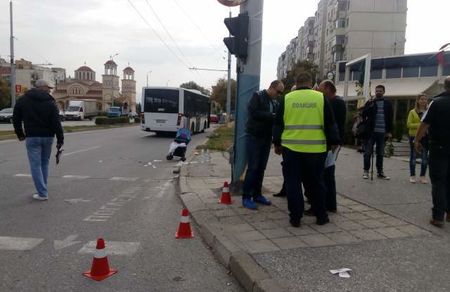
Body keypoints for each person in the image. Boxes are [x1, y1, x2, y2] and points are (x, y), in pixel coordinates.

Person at [273, 72, 339, 226]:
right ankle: (321, 216)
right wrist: (334, 142)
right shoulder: (320, 98)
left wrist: (277, 143)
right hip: (316, 150)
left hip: (291, 149)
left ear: (296, 82)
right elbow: (330, 123)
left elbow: (278, 124)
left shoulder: (286, 98)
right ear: (311, 83)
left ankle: (295, 218)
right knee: (317, 183)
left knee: (293, 183)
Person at [13, 79, 64, 201]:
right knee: (44, 163)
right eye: (48, 89)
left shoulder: (23, 100)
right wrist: (60, 139)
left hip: (32, 137)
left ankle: (42, 193)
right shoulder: (51, 102)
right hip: (48, 137)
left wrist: (20, 134)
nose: (49, 91)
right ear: (42, 88)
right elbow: (56, 122)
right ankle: (43, 189)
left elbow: (16, 118)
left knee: (36, 165)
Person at [242, 80, 284, 210]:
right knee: (253, 167)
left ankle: (257, 194)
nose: (279, 94)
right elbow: (253, 113)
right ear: (271, 87)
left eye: (281, 93)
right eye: (278, 91)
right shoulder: (258, 96)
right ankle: (246, 197)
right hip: (254, 137)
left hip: (266, 138)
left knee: (261, 168)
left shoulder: (274, 101)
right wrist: (272, 116)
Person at [415, 76, 450, 227]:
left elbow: (424, 123)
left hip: (439, 147)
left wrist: (417, 140)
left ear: (444, 86)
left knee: (438, 181)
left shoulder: (436, 102)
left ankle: (438, 217)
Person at [317, 80, 346, 213]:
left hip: (332, 144)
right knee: (325, 173)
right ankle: (326, 202)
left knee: (328, 173)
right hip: (329, 142)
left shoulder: (337, 102)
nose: (319, 90)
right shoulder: (331, 101)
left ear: (328, 88)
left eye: (321, 88)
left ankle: (329, 204)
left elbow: (336, 124)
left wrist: (335, 142)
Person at [361, 85, 393, 179]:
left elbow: (390, 118)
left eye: (380, 91)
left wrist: (390, 131)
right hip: (371, 132)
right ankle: (366, 171)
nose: (378, 92)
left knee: (380, 153)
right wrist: (369, 106)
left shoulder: (388, 103)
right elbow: (364, 114)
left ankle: (380, 172)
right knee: (367, 152)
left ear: (384, 92)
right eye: (377, 91)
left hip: (382, 132)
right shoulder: (371, 102)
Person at [407, 94, 429, 184]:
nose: (424, 101)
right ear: (418, 101)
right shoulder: (412, 112)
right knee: (413, 156)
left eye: (425, 99)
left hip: (426, 137)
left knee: (424, 157)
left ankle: (422, 176)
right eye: (422, 99)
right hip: (414, 136)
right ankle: (412, 175)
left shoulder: (428, 112)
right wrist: (421, 125)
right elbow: (409, 124)